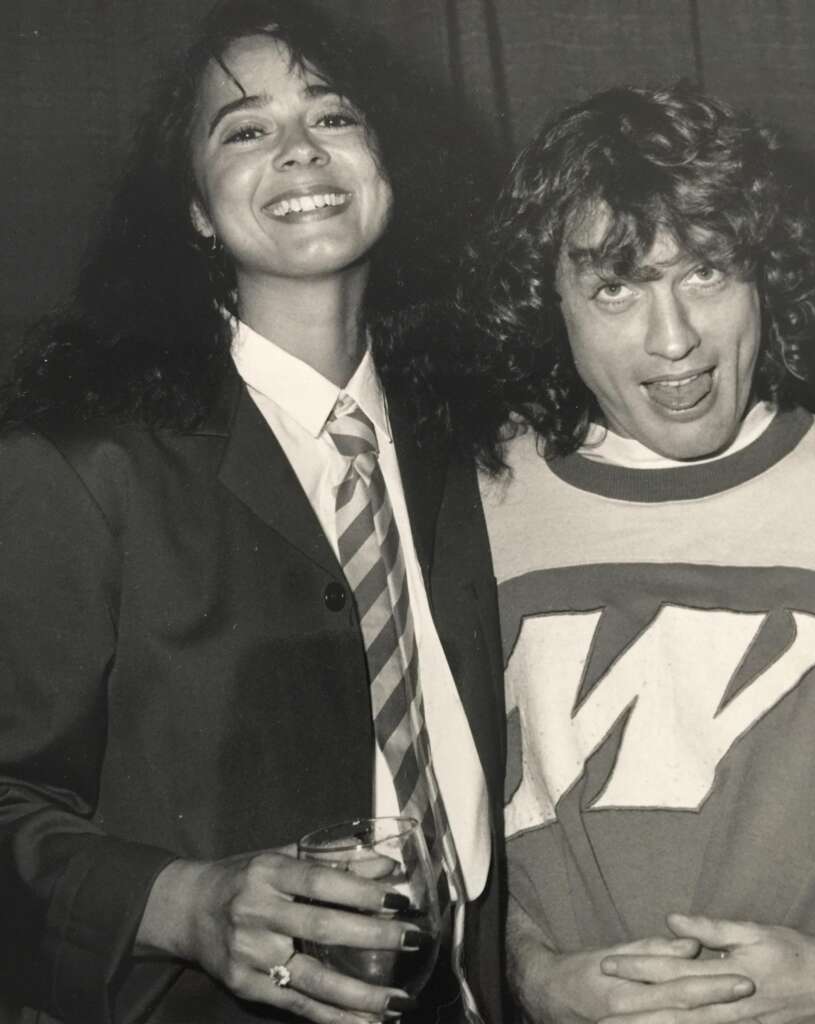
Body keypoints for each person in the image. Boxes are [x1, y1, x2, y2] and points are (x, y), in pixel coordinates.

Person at [0, 3, 505, 1023]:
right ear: (193, 208)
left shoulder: (476, 448)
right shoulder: (85, 463)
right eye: (245, 129)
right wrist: (182, 903)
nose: (298, 152)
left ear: (386, 166)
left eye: (333, 116)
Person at [456, 82, 815, 1023]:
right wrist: (529, 976)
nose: (674, 342)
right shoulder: (469, 504)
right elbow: (422, 816)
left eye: (706, 273)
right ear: (550, 302)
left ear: (765, 277)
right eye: (616, 287)